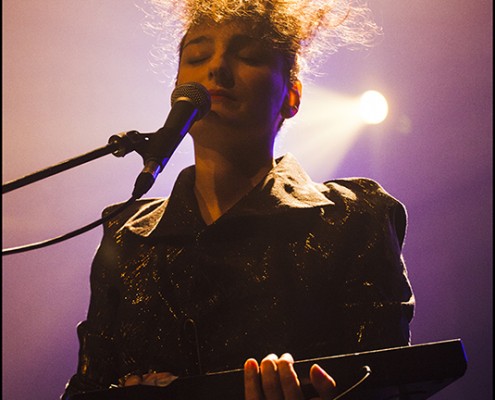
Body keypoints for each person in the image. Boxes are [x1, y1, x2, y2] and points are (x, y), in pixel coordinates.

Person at [61, 1, 414, 399]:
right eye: (197, 55)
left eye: (248, 56)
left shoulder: (354, 218)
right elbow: (87, 389)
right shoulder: (128, 239)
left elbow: (391, 384)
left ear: (291, 97)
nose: (216, 68)